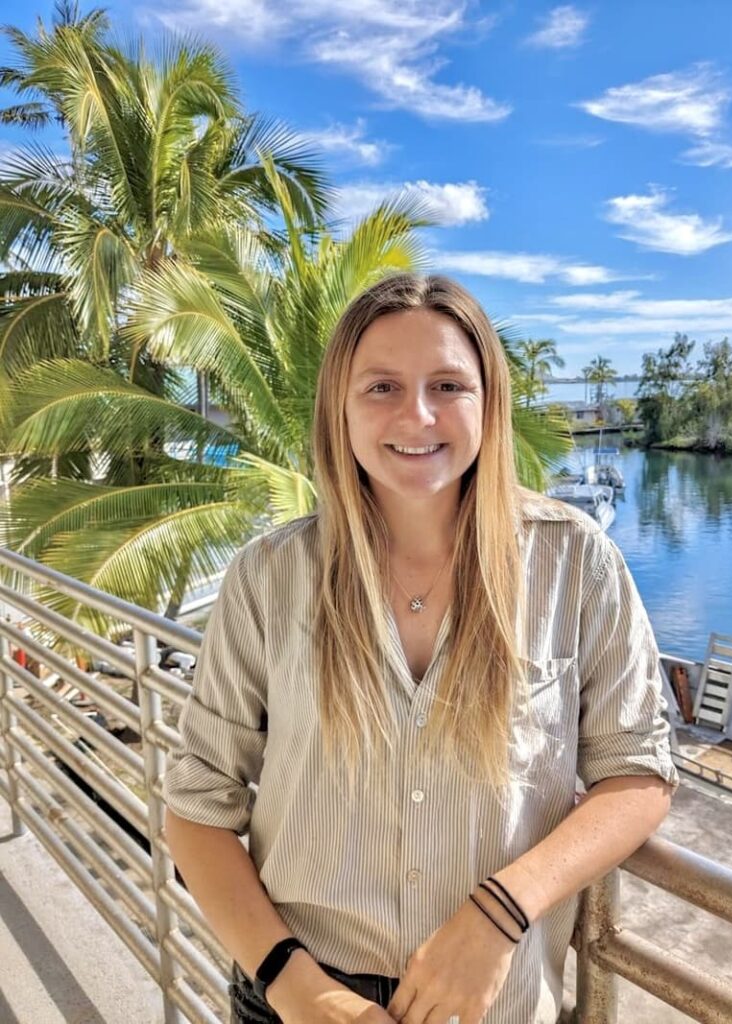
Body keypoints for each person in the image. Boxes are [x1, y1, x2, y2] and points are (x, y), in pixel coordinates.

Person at [163, 273, 679, 1024]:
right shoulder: (270, 579)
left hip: (493, 1002)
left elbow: (637, 771)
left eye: (447, 385)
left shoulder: (576, 563)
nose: (418, 414)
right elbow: (198, 808)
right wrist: (301, 991)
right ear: (339, 406)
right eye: (381, 387)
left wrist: (502, 910)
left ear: (487, 403)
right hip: (295, 1000)